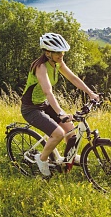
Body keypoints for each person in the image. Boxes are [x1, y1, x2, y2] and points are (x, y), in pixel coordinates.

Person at [21, 33, 100, 177]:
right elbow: (48, 92)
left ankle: (66, 160)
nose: (61, 55)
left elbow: (73, 78)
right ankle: (41, 158)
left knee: (70, 131)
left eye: (62, 52)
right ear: (47, 53)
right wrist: (60, 112)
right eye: (57, 52)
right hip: (30, 108)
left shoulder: (58, 63)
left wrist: (90, 93)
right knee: (58, 133)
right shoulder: (40, 67)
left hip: (43, 104)